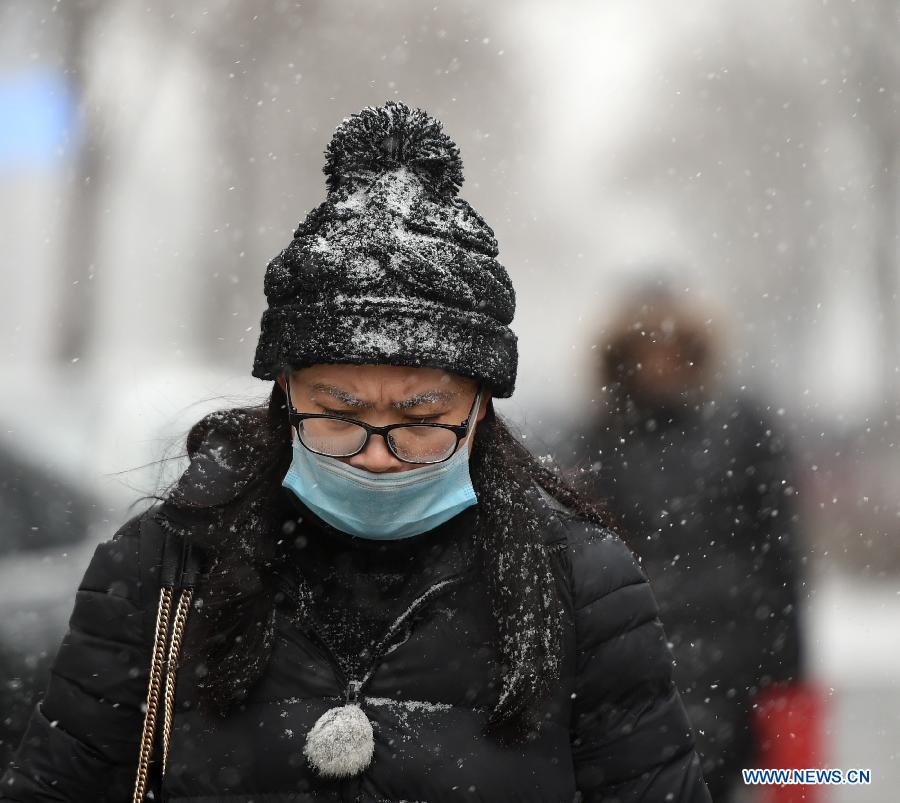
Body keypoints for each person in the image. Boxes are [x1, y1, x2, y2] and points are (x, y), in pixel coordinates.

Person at [0, 102, 712, 802]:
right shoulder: (162, 571)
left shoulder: (583, 587)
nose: (377, 455)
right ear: (284, 393)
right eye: (339, 413)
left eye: (420, 416)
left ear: (482, 406)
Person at [558, 281, 810, 802]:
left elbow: (783, 558)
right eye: (646, 350)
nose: (660, 363)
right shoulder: (598, 438)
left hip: (737, 664)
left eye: (672, 348)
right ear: (622, 357)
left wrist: (792, 680)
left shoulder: (744, 429)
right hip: (639, 666)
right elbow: (578, 558)